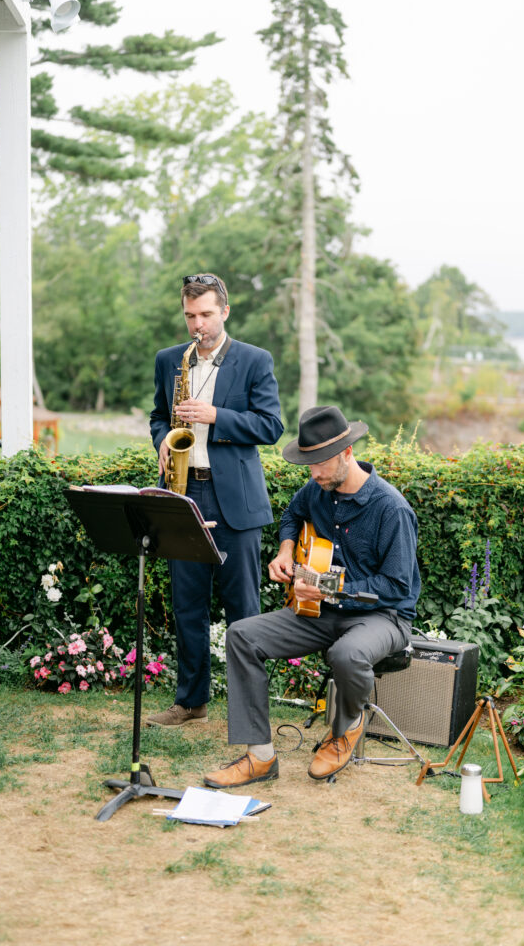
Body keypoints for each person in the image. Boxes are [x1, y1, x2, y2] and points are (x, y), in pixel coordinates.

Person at [203, 404, 421, 786]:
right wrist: (286, 550)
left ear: (347, 453)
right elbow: (292, 514)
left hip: (383, 617)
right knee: (241, 635)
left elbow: (397, 586)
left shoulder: (392, 509)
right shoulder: (319, 489)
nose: (314, 473)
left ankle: (347, 726)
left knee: (347, 653)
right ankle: (260, 757)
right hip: (321, 611)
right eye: (309, 464)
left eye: (320, 463)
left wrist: (327, 589)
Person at [146, 273, 283, 728]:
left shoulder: (255, 360)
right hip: (183, 492)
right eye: (190, 316)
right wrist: (163, 440)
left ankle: (249, 710)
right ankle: (191, 701)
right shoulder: (170, 360)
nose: (197, 325)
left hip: (234, 501)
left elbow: (271, 426)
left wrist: (215, 416)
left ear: (225, 311)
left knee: (243, 608)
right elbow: (157, 415)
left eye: (206, 314)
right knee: (187, 604)